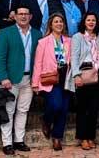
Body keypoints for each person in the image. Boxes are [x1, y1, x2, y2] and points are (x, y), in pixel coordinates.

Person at [0, 7, 41, 155]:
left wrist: (37, 80)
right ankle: (7, 143)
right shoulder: (6, 32)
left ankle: (19, 141)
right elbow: (0, 57)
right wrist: (3, 77)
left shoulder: (37, 33)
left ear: (31, 16)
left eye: (26, 14)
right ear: (14, 16)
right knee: (9, 111)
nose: (23, 16)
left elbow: (39, 59)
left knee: (23, 110)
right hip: (11, 79)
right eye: (20, 14)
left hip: (29, 79)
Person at [31, 13, 72, 151]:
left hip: (65, 78)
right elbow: (38, 63)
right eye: (56, 22)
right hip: (50, 78)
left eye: (61, 21)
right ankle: (46, 121)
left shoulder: (68, 41)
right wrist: (35, 83)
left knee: (64, 109)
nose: (59, 24)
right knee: (55, 105)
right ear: (51, 25)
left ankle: (57, 138)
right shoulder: (43, 42)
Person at [69, 13, 99, 150]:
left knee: (94, 109)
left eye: (93, 20)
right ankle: (83, 138)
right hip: (83, 74)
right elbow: (74, 56)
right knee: (82, 109)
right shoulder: (78, 37)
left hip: (96, 75)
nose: (91, 22)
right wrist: (76, 75)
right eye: (88, 20)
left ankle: (90, 137)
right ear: (84, 22)